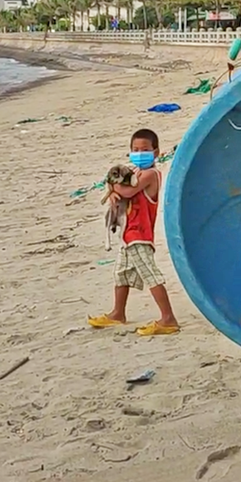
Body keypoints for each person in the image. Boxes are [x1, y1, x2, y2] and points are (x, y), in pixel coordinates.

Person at [88, 129, 180, 335]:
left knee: (151, 275)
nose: (140, 153)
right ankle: (118, 313)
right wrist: (112, 188)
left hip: (140, 234)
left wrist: (112, 187)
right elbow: (116, 183)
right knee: (121, 274)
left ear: (156, 152)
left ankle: (168, 318)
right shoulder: (134, 172)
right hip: (128, 235)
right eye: (135, 150)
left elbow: (127, 190)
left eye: (145, 150)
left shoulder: (150, 174)